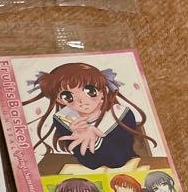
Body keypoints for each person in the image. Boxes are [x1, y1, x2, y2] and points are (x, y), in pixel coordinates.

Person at [24, 62, 156, 175]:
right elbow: (89, 163)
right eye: (68, 96)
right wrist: (82, 137)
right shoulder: (64, 119)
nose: (82, 101)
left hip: (128, 169)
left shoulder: (121, 114)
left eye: (90, 91)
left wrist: (96, 139)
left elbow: (119, 160)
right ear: (59, 99)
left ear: (103, 91)